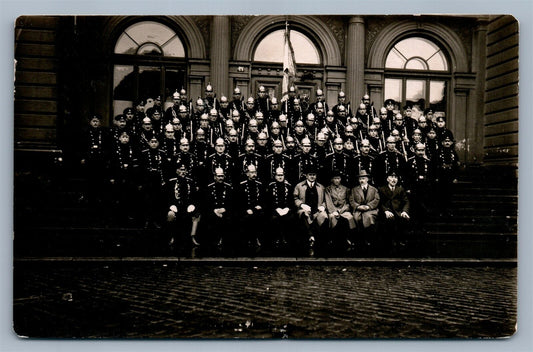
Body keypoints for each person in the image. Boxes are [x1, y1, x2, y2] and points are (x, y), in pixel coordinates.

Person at [166, 162, 201, 249]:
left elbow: (195, 197)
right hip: (175, 206)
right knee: (170, 214)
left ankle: (193, 236)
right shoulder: (171, 182)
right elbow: (167, 196)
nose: (183, 172)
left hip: (187, 206)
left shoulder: (191, 182)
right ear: (177, 171)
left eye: (184, 170)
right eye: (181, 170)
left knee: (197, 214)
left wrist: (192, 205)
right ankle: (172, 237)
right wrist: (171, 205)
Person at [293, 164, 328, 248]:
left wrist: (323, 206)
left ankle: (320, 240)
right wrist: (301, 204)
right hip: (304, 209)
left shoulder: (321, 187)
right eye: (310, 175)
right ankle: (311, 236)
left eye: (314, 175)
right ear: (306, 175)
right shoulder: (299, 186)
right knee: (304, 215)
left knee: (324, 216)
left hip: (317, 210)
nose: (312, 176)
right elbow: (295, 198)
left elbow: (325, 200)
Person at [378, 171, 411, 248]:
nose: (394, 179)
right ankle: (390, 243)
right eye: (391, 177)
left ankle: (401, 241)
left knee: (405, 219)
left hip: (398, 211)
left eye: (396, 177)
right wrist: (385, 211)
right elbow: (380, 202)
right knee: (390, 220)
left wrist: (404, 211)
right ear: (387, 179)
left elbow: (406, 202)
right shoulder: (382, 189)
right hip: (386, 212)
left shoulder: (400, 189)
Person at [203, 167, 234, 247]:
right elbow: (206, 203)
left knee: (229, 218)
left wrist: (225, 209)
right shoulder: (209, 188)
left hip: (225, 211)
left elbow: (231, 202)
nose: (220, 178)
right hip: (213, 211)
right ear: (215, 177)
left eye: (222, 176)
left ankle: (225, 241)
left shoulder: (228, 187)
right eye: (218, 176)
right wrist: (215, 211)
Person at [325, 170, 356, 247]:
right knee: (332, 218)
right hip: (333, 209)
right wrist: (334, 211)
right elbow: (328, 201)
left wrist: (342, 210)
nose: (337, 180)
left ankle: (349, 238)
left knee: (350, 218)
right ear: (332, 179)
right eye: (335, 178)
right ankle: (332, 239)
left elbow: (348, 202)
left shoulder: (346, 189)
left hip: (344, 209)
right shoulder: (328, 189)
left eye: (338, 178)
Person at [237, 164, 265, 248]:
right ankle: (248, 239)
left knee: (259, 216)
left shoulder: (259, 185)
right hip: (246, 209)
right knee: (247, 217)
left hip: (257, 209)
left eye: (255, 172)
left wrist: (260, 205)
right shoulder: (242, 185)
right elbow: (240, 201)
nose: (254, 174)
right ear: (247, 173)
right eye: (252, 172)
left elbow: (263, 199)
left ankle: (256, 238)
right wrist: (246, 209)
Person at [349, 170, 380, 244]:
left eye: (363, 178)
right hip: (358, 210)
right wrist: (358, 206)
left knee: (369, 217)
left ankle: (369, 239)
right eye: (360, 179)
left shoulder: (374, 189)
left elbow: (377, 199)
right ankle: (359, 240)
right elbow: (351, 200)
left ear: (367, 179)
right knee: (356, 218)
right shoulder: (354, 190)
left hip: (370, 210)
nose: (361, 180)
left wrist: (368, 206)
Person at [266, 167, 294, 248]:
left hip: (286, 209)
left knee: (289, 218)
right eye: (278, 175)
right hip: (275, 209)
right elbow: (269, 201)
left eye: (282, 175)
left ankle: (285, 238)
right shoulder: (271, 187)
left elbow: (291, 201)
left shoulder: (289, 186)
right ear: (275, 176)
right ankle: (277, 238)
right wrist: (277, 209)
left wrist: (287, 209)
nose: (280, 177)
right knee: (275, 218)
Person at [435, 135, 459, 217]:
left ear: (451, 143)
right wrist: (436, 177)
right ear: (442, 143)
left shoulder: (453, 153)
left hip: (450, 176)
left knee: (449, 194)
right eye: (445, 141)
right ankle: (441, 211)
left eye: (449, 141)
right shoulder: (438, 152)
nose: (447, 143)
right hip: (441, 176)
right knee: (441, 194)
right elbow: (434, 165)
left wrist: (456, 177)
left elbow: (456, 166)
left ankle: (448, 211)